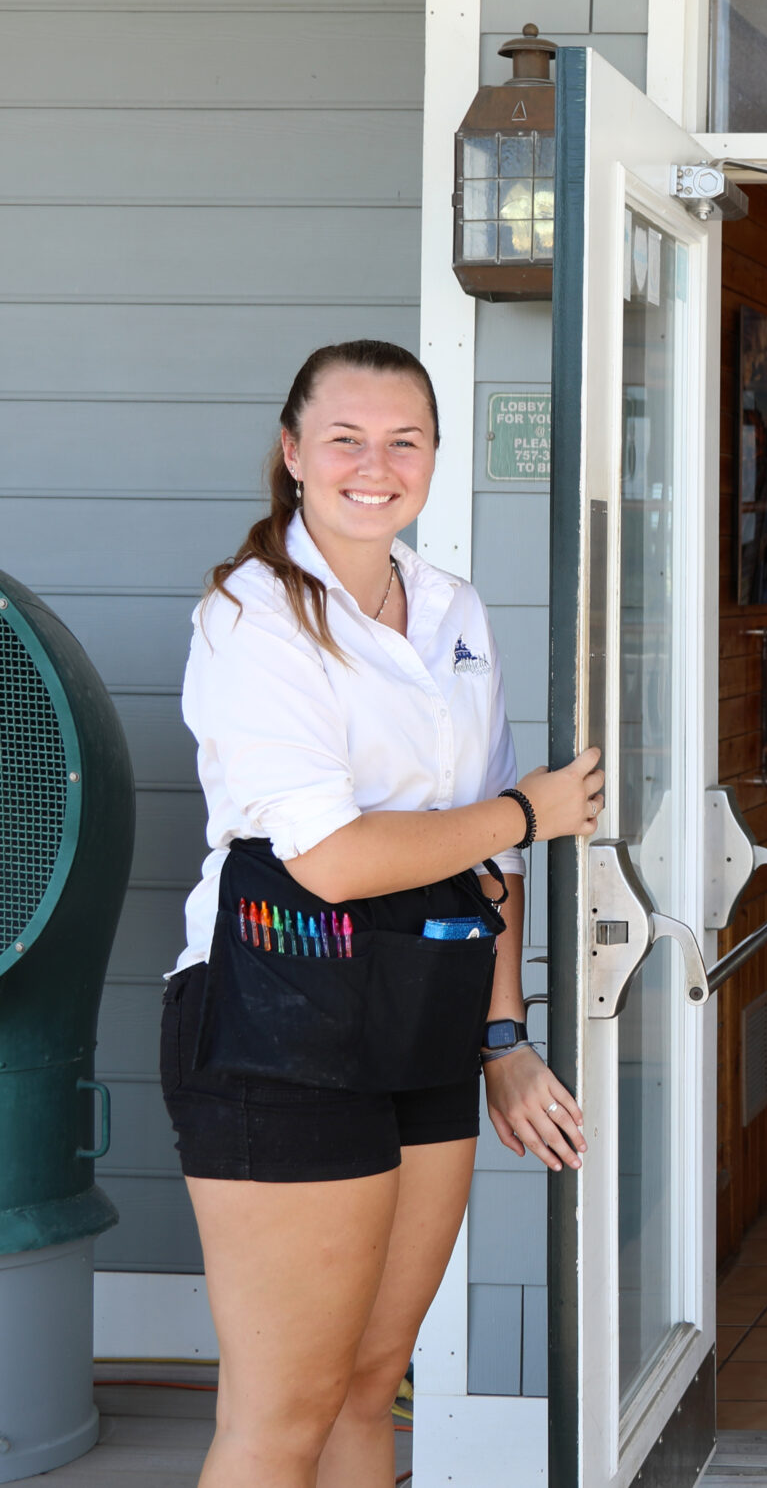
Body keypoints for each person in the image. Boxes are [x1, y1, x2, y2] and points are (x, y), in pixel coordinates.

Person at [161, 340, 605, 1488]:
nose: (377, 464)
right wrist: (522, 811)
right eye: (347, 438)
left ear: (435, 460)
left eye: (405, 440)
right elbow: (336, 861)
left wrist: (503, 1037)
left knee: (372, 1380)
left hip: (423, 1010)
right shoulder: (252, 617)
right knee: (284, 1412)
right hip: (277, 1023)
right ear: (294, 453)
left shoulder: (451, 606)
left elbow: (491, 862)